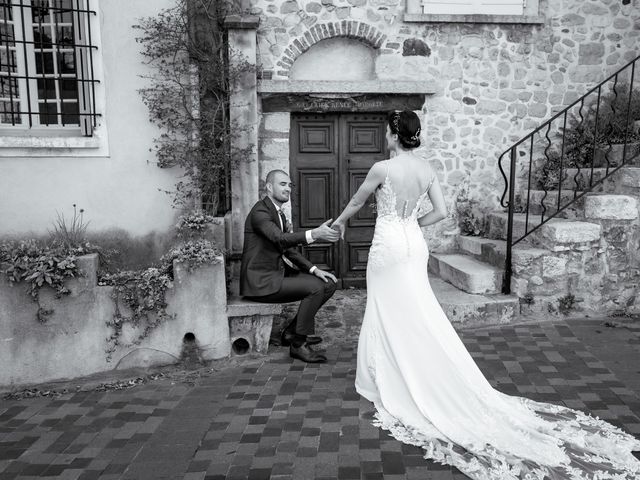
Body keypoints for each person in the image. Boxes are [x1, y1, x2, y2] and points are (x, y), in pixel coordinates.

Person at [330, 110, 640, 479]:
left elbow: (355, 203)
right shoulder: (427, 169)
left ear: (395, 135)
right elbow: (441, 213)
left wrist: (337, 224)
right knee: (417, 309)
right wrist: (411, 222)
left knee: (386, 306)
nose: (384, 136)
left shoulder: (383, 168)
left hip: (389, 246)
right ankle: (412, 363)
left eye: (386, 131)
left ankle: (389, 374)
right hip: (414, 243)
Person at [240, 169, 340, 364]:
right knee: (315, 288)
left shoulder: (279, 214)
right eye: (282, 184)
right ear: (269, 187)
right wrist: (315, 234)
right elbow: (280, 239)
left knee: (327, 283)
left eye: (290, 185)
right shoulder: (260, 212)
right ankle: (298, 345)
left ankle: (291, 333)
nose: (288, 188)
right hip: (261, 282)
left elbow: (289, 250)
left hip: (276, 276)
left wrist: (314, 269)